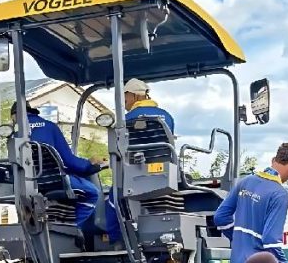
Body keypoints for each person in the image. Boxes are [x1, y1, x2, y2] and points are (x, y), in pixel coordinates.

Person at [105, 78, 176, 247]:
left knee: (111, 199)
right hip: (164, 171)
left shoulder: (126, 119)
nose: (125, 101)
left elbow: (120, 149)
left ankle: (117, 242)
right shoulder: (167, 116)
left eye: (126, 97)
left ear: (135, 96)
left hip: (136, 172)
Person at [11, 102, 104, 230]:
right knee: (92, 192)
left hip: (24, 184)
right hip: (54, 181)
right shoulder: (50, 127)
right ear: (32, 112)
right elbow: (68, 161)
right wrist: (89, 165)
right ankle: (73, 229)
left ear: (14, 116)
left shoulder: (13, 134)